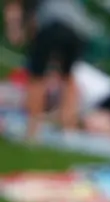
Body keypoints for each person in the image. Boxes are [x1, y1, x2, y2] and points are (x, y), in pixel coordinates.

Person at [3, 0, 101, 140]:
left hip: (51, 26)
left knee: (37, 78)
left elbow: (16, 9)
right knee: (68, 77)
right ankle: (69, 130)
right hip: (77, 29)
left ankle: (32, 130)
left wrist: (16, 31)